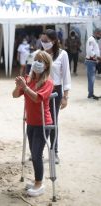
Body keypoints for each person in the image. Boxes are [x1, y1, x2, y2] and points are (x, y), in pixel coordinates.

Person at [12, 50, 54, 197]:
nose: (37, 62)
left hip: (43, 123)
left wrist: (25, 87)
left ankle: (39, 183)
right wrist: (19, 86)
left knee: (36, 154)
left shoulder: (48, 82)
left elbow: (37, 98)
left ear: (47, 65)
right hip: (30, 122)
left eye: (41, 61)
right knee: (33, 153)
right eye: (36, 59)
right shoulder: (29, 79)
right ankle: (37, 180)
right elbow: (15, 95)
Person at [40, 29, 71, 164]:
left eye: (46, 41)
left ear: (54, 41)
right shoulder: (40, 54)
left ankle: (54, 151)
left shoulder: (63, 55)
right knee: (40, 121)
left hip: (55, 91)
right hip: (41, 90)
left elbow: (66, 76)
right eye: (42, 40)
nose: (44, 43)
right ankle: (38, 150)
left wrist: (65, 96)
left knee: (52, 122)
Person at [85, 28, 101, 100]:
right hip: (91, 62)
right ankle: (91, 95)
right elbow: (90, 51)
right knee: (91, 79)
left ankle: (90, 94)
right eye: (100, 34)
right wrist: (97, 57)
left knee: (92, 79)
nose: (100, 36)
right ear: (97, 33)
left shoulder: (94, 40)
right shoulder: (91, 40)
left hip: (93, 61)